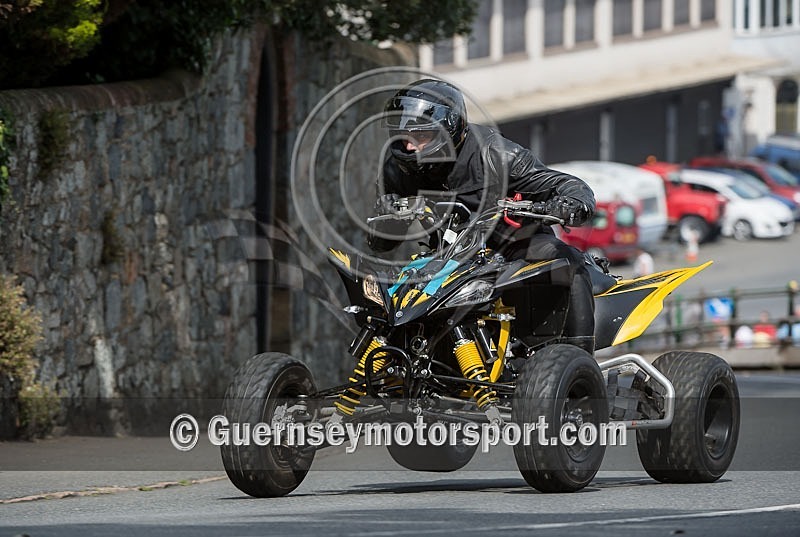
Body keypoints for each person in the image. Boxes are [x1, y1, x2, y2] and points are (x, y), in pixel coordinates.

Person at [368, 79, 597, 354]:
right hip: (449, 256)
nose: (408, 148)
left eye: (421, 137)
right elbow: (380, 244)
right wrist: (390, 217)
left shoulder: (498, 155)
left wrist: (569, 204)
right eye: (402, 138)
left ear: (448, 129)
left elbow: (567, 185)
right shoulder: (396, 168)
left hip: (515, 247)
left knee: (565, 260)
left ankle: (581, 363)